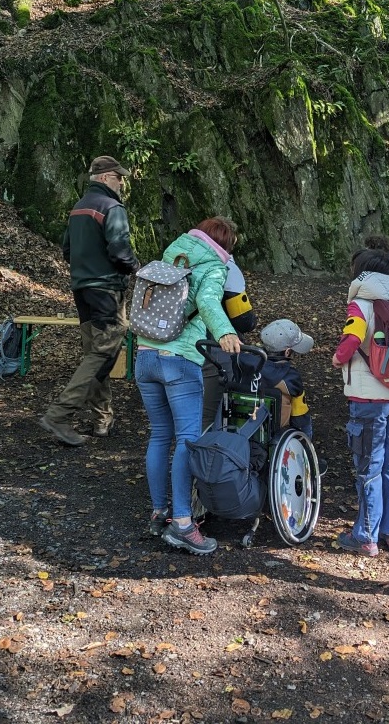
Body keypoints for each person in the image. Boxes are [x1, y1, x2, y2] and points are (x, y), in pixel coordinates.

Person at [136, 217, 243, 555]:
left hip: (145, 354)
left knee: (158, 435)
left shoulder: (173, 252)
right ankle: (183, 523)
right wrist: (225, 332)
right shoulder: (214, 264)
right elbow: (209, 302)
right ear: (225, 245)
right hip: (179, 358)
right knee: (187, 438)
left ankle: (159, 514)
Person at [39, 156, 141, 447]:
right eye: (118, 177)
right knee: (103, 353)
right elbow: (120, 251)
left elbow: (67, 250)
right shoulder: (113, 208)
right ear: (106, 177)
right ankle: (59, 414)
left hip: (82, 289)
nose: (122, 182)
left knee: (96, 354)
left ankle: (102, 420)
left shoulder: (78, 209)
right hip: (107, 290)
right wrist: (138, 269)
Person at [332, 249, 389, 557]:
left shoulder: (362, 302)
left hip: (369, 396)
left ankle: (366, 535)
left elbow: (353, 338)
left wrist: (338, 358)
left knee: (369, 465)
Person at [201, 257, 257, 429]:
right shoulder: (227, 269)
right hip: (217, 346)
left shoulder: (181, 260)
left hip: (184, 346)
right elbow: (244, 321)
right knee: (211, 412)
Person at [258, 318, 315, 439]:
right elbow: (300, 418)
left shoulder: (246, 365)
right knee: (305, 423)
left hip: (249, 427)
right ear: (287, 352)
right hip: (278, 434)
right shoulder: (291, 377)